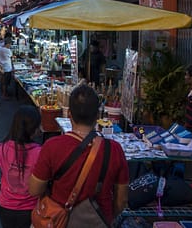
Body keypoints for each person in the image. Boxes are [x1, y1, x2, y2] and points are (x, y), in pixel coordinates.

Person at [29, 85, 129, 225]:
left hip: (60, 220)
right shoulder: (114, 149)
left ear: (69, 114)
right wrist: (105, 217)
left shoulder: (52, 146)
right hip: (98, 221)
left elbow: (34, 189)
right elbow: (122, 200)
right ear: (97, 116)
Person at [0, 105, 41, 228]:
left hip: (6, 206)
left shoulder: (1, 149)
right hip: (31, 206)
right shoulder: (39, 152)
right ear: (35, 129)